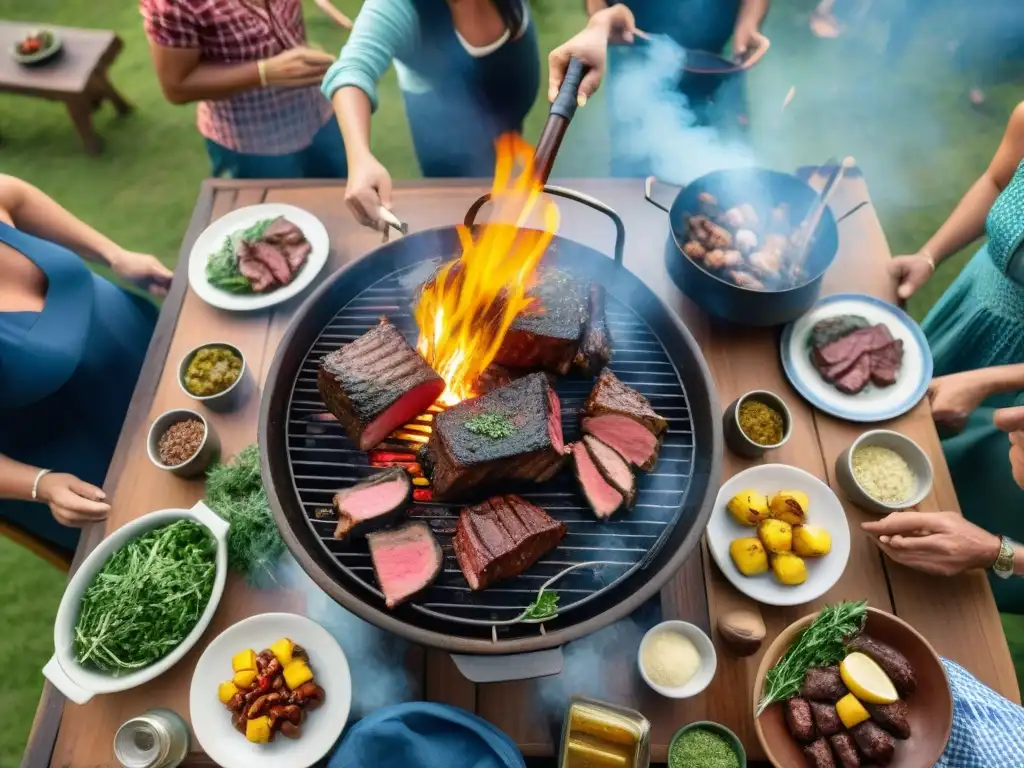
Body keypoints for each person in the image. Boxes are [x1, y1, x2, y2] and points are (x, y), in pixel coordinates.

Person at [887, 102, 1024, 609]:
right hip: (975, 305)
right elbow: (996, 182)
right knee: (900, 435)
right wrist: (929, 255)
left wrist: (990, 382)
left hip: (1015, 374)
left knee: (961, 494)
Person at [0, 175, 170, 557]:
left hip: (148, 348)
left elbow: (18, 197)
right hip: (96, 457)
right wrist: (41, 485)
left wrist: (113, 254)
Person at [321, 0, 539, 230]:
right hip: (449, 145)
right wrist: (360, 158)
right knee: (468, 226)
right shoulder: (397, 6)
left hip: (509, 126)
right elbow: (352, 69)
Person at [141, 0, 346, 179]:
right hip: (252, 141)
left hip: (320, 115)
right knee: (277, 217)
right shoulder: (175, 4)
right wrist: (262, 72)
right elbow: (176, 87)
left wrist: (298, 47)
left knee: (344, 196)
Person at [560, 1, 768, 176]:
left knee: (730, 178)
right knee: (636, 169)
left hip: (717, 66)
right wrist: (601, 16)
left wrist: (748, 22)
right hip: (636, 59)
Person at [862, 405, 1024, 611]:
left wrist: (998, 554)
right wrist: (989, 380)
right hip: (980, 453)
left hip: (985, 575)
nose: (1005, 415)